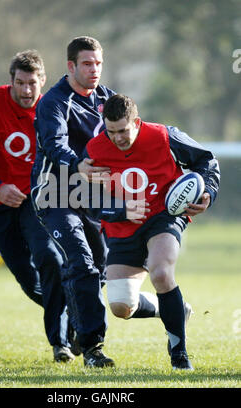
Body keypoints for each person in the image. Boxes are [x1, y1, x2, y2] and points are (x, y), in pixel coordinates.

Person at [31, 36, 167, 367]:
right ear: (71, 66)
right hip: (55, 193)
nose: (94, 70)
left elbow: (132, 137)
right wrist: (77, 163)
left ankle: (81, 328)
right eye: (87, 64)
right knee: (80, 263)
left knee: (102, 269)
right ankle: (93, 349)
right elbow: (53, 143)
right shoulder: (54, 102)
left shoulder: (107, 99)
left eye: (98, 63)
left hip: (93, 195)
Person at [0, 50, 77, 363]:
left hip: (37, 199)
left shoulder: (54, 109)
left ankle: (61, 343)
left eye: (31, 83)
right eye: (19, 83)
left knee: (49, 257)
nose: (25, 90)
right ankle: (78, 314)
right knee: (27, 278)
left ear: (42, 81)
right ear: (11, 81)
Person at [84, 94, 220, 370]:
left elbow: (206, 162)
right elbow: (87, 201)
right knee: (122, 307)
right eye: (111, 132)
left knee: (161, 272)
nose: (118, 138)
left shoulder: (164, 137)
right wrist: (122, 210)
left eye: (123, 130)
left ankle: (179, 354)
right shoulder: (95, 150)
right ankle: (171, 308)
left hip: (163, 216)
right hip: (122, 229)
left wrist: (207, 192)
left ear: (136, 121)